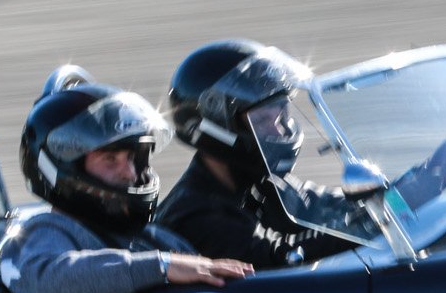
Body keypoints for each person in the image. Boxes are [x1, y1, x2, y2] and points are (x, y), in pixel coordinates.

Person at [0, 81, 252, 293]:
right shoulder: (46, 231)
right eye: (110, 159)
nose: (129, 173)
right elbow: (48, 284)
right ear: (66, 167)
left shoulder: (156, 238)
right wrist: (161, 267)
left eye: (133, 157)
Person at [153, 39, 367, 269]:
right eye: (263, 120)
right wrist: (363, 228)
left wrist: (386, 199)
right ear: (217, 128)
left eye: (281, 115)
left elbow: (326, 204)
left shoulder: (259, 184)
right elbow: (278, 256)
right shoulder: (194, 214)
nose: (279, 131)